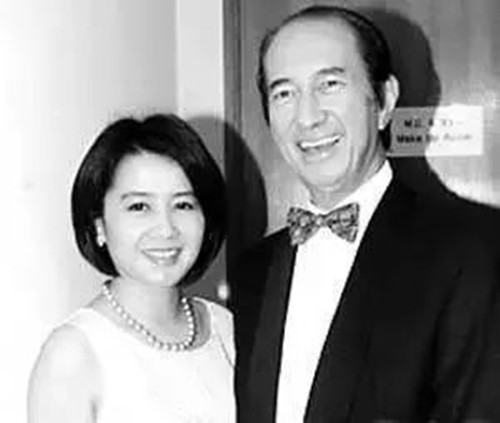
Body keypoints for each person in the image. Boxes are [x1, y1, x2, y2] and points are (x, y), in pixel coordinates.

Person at [230, 5, 500, 422]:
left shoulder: (474, 250)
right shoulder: (253, 271)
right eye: (284, 93)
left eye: (330, 84)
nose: (308, 117)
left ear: (385, 100)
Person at [28, 114, 235, 422]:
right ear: (99, 224)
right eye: (139, 206)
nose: (166, 229)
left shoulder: (225, 326)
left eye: (183, 205)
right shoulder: (72, 355)